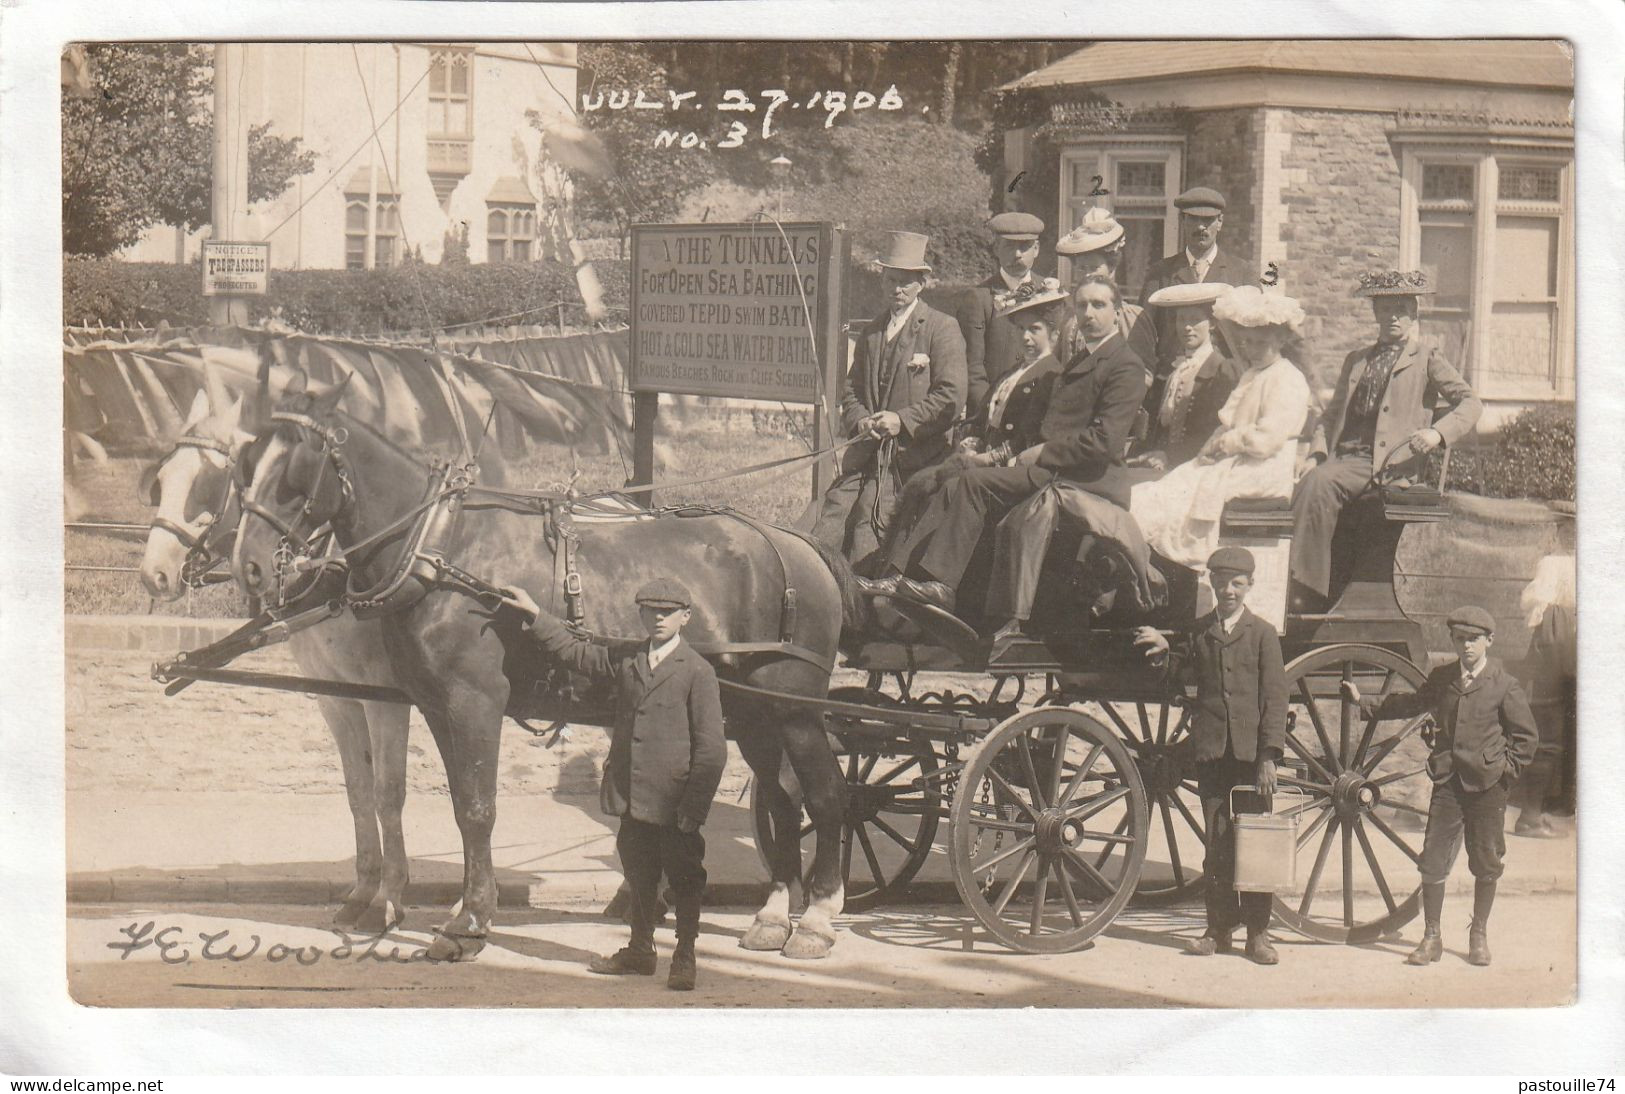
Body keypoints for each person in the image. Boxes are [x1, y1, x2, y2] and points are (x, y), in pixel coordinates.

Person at [859, 274, 1146, 617]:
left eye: (1099, 305)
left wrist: (1042, 452)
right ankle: (900, 577)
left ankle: (942, 586)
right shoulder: (1081, 359)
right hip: (1055, 469)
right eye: (1082, 305)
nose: (1089, 313)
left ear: (1117, 312)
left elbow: (1105, 442)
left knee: (974, 483)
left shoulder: (1124, 364)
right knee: (949, 483)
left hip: (1087, 478)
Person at [498, 577, 726, 992]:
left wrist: (694, 807)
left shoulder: (697, 672)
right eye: (650, 611)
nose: (658, 619)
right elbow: (575, 652)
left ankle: (685, 955)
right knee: (638, 872)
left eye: (667, 612)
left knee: (684, 876)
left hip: (673, 800)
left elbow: (711, 750)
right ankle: (640, 951)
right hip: (632, 797)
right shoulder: (628, 659)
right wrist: (534, 613)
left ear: (685, 618)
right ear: (639, 614)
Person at [1340, 605, 1539, 967]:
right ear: (1453, 640)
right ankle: (1431, 937)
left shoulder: (1504, 684)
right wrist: (1365, 702)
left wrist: (1504, 773)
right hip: (1448, 782)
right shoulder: (1443, 677)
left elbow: (1526, 738)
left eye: (1474, 640)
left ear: (1489, 641)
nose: (1466, 647)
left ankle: (1478, 934)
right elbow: (1412, 703)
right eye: (1460, 639)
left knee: (1486, 861)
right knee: (1432, 859)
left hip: (1487, 787)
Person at [1290, 270, 1482, 607]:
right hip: (1343, 460)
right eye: (1385, 309)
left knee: (1318, 485)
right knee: (1306, 479)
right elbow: (1332, 414)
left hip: (1387, 465)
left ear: (1413, 315)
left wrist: (1437, 433)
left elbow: (1472, 402)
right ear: (1375, 314)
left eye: (1401, 309)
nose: (1392, 316)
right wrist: (1315, 453)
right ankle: (1314, 582)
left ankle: (1307, 591)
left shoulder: (1427, 359)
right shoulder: (1357, 359)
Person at [1134, 547, 1288, 965]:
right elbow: (1178, 673)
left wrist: (1269, 757)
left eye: (1237, 583)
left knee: (1254, 846)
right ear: (1213, 586)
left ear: (1250, 586)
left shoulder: (1263, 634)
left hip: (1251, 760)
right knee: (1216, 846)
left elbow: (1275, 699)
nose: (1229, 590)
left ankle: (1258, 934)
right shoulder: (1202, 632)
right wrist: (1164, 649)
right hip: (1212, 755)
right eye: (1221, 583)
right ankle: (1218, 930)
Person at [810, 230, 966, 568]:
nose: (896, 288)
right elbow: (850, 390)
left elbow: (951, 397)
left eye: (905, 282)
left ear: (922, 283)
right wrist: (862, 419)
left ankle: (861, 606)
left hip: (914, 460)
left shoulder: (941, 328)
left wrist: (902, 420)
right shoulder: (871, 332)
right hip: (867, 455)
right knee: (827, 520)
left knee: (870, 526)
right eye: (890, 279)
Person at [1128, 285, 1310, 568]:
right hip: (1238, 459)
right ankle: (1148, 560)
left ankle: (1169, 564)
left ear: (1280, 341)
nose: (1253, 350)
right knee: (1161, 489)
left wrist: (1226, 443)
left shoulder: (1288, 378)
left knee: (1180, 496)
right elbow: (1228, 420)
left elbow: (1267, 438)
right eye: (1248, 342)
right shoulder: (1253, 373)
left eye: (1261, 343)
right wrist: (1210, 447)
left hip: (1265, 467)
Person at [887, 283, 1067, 550]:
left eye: (1034, 329)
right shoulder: (1012, 373)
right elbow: (983, 419)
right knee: (919, 485)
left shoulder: (1051, 376)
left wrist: (985, 457)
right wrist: (971, 439)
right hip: (983, 459)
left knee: (948, 487)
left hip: (1011, 467)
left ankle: (919, 574)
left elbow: (1028, 440)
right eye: (1020, 329)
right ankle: (892, 568)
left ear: (1053, 333)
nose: (1025, 337)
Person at [1138, 187, 1254, 381]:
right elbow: (1143, 334)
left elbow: (1255, 333)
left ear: (1220, 222)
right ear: (1182, 221)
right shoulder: (1160, 273)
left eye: (1207, 220)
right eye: (1193, 219)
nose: (1200, 227)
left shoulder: (1242, 273)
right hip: (1170, 379)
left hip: (1223, 382)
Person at [1130, 281, 1241, 471]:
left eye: (1195, 319)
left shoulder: (1221, 369)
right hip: (1160, 462)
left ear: (1212, 324)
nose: (1187, 327)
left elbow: (1215, 430)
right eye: (1181, 320)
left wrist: (1171, 456)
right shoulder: (1172, 369)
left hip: (1197, 464)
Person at [957, 211, 1046, 427]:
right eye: (1008, 246)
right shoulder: (979, 298)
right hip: (990, 418)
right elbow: (973, 368)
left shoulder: (1050, 293)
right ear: (996, 249)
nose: (1017, 254)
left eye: (1025, 246)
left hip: (1040, 415)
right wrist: (991, 414)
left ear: (1036, 249)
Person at [1512, 554, 1576, 837]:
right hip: (1557, 655)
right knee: (1549, 735)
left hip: (1566, 650)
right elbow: (1542, 613)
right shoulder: (1557, 567)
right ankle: (1530, 816)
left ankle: (1541, 812)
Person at [1054, 206, 1157, 367]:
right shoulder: (1070, 318)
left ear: (1112, 267)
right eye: (1082, 268)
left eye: (1094, 267)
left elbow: (1144, 372)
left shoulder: (1130, 317)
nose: (1087, 275)